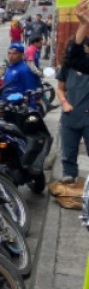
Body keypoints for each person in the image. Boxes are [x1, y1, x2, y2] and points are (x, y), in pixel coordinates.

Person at [56, 37, 89, 184]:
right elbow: (60, 89)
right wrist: (64, 103)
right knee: (68, 151)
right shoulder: (66, 67)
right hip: (70, 115)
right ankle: (69, 176)